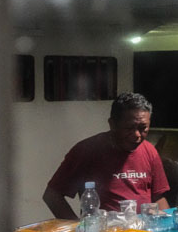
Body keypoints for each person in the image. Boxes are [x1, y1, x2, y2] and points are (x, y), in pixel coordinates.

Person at [43, 92, 171, 219]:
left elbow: (158, 197)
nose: (137, 135)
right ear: (112, 124)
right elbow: (52, 196)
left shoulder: (150, 151)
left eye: (143, 128)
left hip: (142, 228)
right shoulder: (86, 150)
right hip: (105, 230)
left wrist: (169, 222)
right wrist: (76, 227)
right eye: (129, 128)